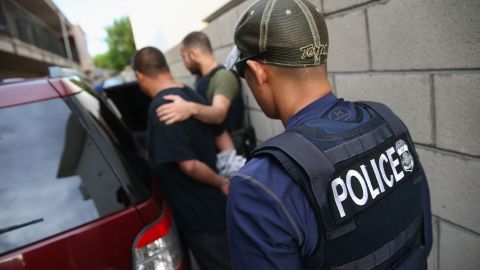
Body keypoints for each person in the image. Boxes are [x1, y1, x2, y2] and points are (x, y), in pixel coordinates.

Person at [226, 0, 432, 269]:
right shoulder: (387, 123)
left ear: (258, 72)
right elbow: (421, 239)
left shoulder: (260, 188)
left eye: (244, 73)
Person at [132, 46, 231, 270]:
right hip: (217, 209)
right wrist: (229, 173)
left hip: (201, 218)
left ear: (140, 76)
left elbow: (189, 166)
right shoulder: (190, 94)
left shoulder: (162, 107)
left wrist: (221, 181)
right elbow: (220, 133)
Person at [155, 31, 244, 135]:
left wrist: (189, 108)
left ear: (193, 54)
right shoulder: (202, 78)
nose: (184, 63)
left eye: (184, 57)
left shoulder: (223, 76)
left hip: (230, 147)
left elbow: (219, 114)